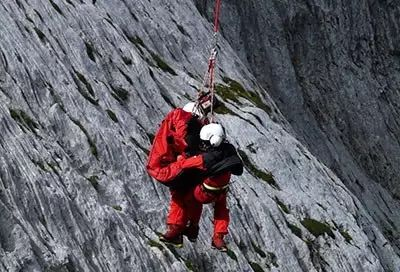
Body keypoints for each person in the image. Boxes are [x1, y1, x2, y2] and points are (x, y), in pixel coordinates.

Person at [146, 97, 223, 247]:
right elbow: (185, 138)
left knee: (182, 193)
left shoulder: (175, 126)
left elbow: (182, 142)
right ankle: (188, 227)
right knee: (189, 194)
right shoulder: (181, 119)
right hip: (168, 168)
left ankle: (178, 229)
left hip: (168, 168)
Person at [160, 123, 243, 251]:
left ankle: (179, 230)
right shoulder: (229, 150)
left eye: (205, 142)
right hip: (222, 190)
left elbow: (185, 164)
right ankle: (218, 237)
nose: (203, 144)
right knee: (221, 209)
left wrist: (180, 158)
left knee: (182, 195)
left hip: (204, 192)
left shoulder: (207, 158)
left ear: (212, 141)